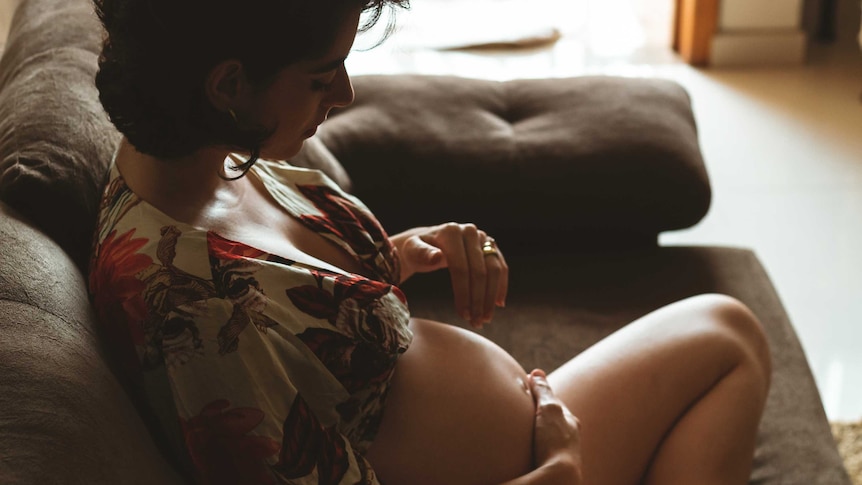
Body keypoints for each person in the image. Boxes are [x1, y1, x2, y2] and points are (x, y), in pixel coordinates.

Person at [88, 0, 772, 484]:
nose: (348, 94)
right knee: (728, 337)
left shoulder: (200, 154)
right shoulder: (192, 309)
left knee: (723, 338)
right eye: (323, 76)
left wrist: (400, 255)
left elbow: (293, 319)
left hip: (521, 432)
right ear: (229, 84)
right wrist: (560, 469)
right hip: (529, 462)